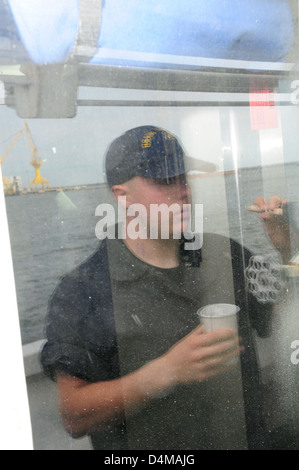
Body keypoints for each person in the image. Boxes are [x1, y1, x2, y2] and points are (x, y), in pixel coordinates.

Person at [40, 125, 290, 450]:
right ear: (122, 196)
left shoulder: (227, 254)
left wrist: (287, 251)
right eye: (164, 181)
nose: (183, 191)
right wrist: (165, 373)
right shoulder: (83, 289)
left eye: (184, 177)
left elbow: (283, 320)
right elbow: (75, 415)